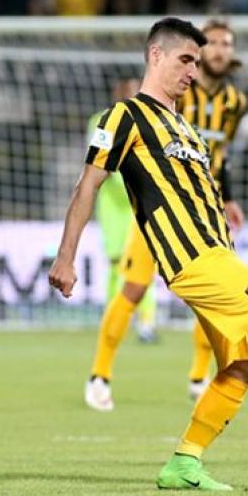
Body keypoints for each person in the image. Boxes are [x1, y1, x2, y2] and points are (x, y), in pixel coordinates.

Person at [50, 17, 248, 490]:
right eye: (185, 60)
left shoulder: (186, 127)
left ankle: (184, 462)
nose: (192, 71)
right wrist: (66, 256)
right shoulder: (124, 116)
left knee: (244, 365)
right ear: (156, 55)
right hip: (190, 258)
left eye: (197, 62)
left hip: (217, 252)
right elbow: (87, 185)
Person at [83, 19, 248, 412]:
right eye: (214, 43)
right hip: (159, 213)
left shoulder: (235, 103)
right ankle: (99, 375)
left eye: (227, 44)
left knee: (213, 296)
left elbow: (220, 155)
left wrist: (229, 197)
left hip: (206, 216)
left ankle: (199, 377)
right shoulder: (175, 92)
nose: (221, 50)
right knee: (133, 289)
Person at [88, 77, 160, 347]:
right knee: (116, 263)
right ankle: (113, 319)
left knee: (143, 262)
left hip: (141, 201)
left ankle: (146, 322)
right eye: (128, 89)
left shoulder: (152, 121)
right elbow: (97, 161)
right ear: (117, 92)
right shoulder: (100, 121)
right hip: (113, 204)